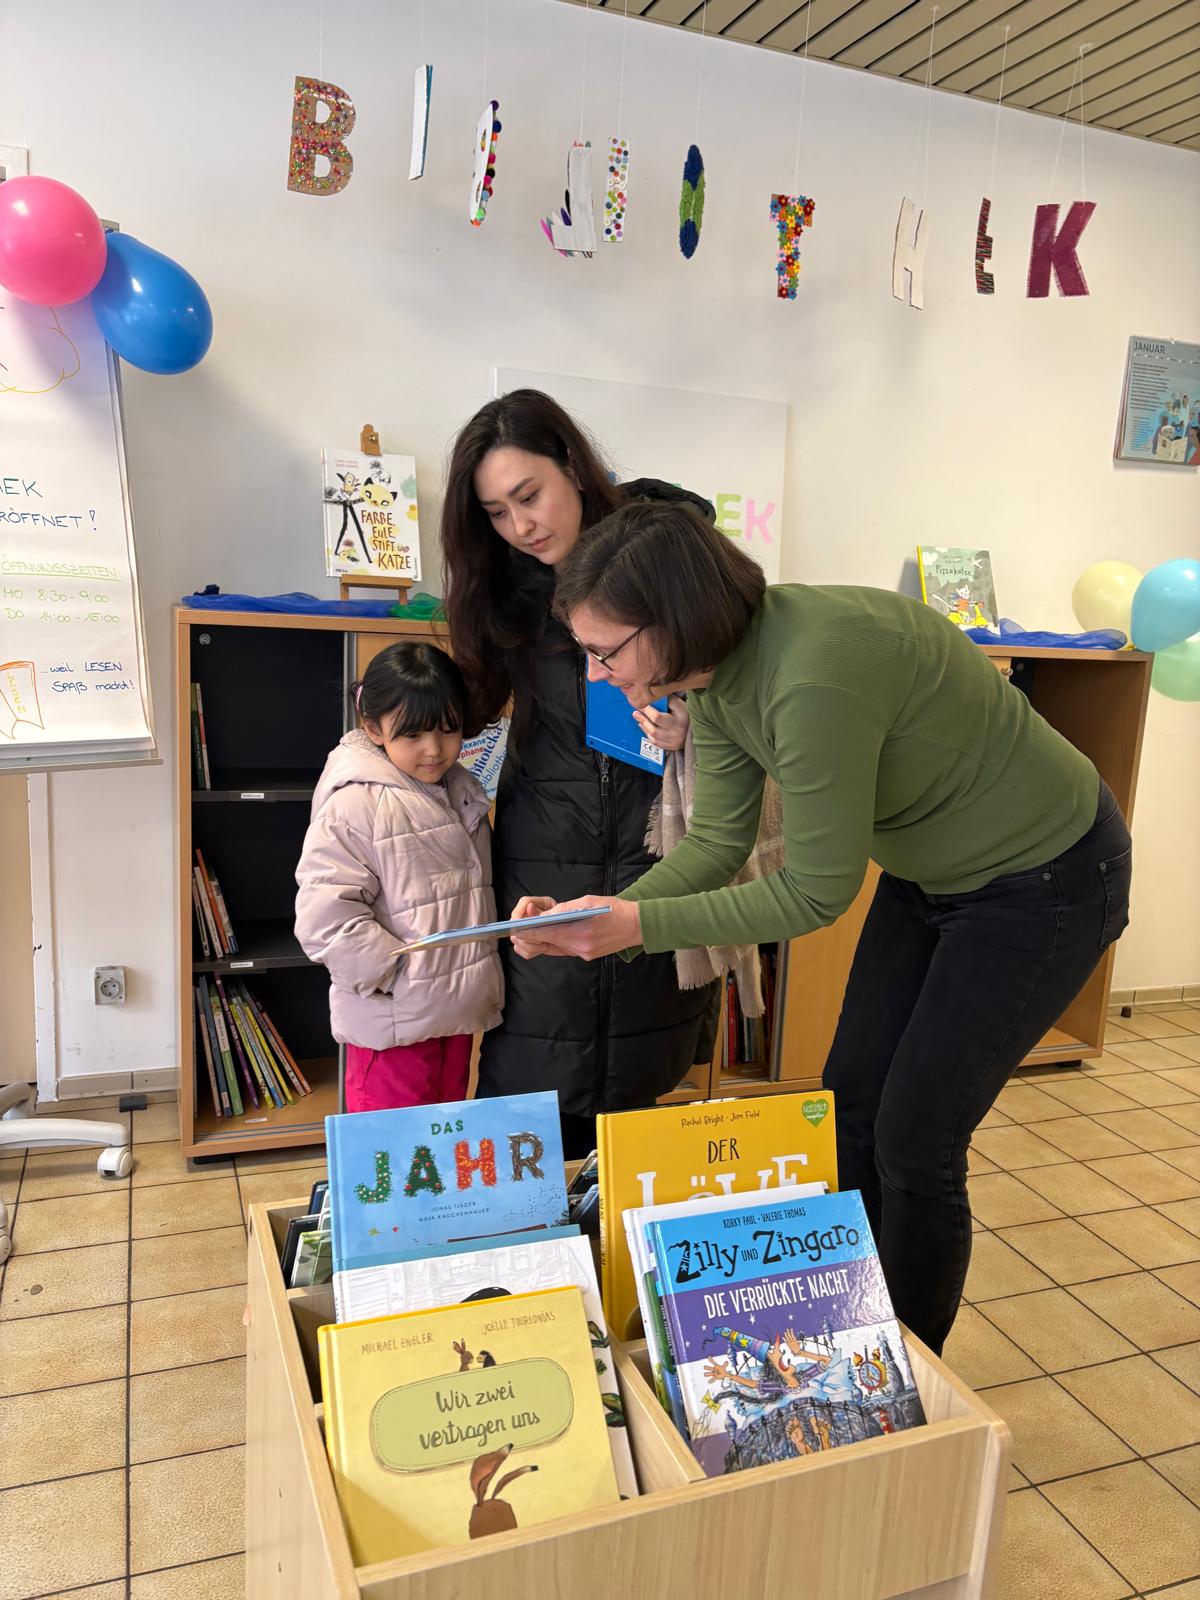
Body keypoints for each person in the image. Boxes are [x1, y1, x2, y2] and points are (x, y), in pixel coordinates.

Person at [509, 500, 1132, 1354]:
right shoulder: (715, 672)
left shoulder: (810, 676)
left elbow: (813, 895)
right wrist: (609, 910)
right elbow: (723, 840)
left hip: (1047, 880)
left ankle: (902, 1382)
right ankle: (852, 1335)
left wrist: (636, 927)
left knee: (916, 1138)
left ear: (676, 620)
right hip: (931, 875)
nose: (598, 674)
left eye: (605, 652)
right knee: (847, 1111)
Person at [439, 388, 718, 1157]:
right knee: (536, 1086)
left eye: (528, 496)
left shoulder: (667, 559)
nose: (520, 526)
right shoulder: (502, 594)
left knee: (646, 1087)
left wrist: (705, 720)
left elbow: (730, 676)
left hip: (658, 846)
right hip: (541, 857)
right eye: (496, 512)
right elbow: (464, 718)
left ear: (572, 462)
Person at [294, 642, 503, 1113]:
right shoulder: (355, 803)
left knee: (441, 1151)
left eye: (449, 730)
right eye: (414, 735)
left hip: (455, 1013)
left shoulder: (461, 788)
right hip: (391, 1021)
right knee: (389, 1166)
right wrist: (391, 973)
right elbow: (323, 918)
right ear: (373, 727)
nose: (435, 749)